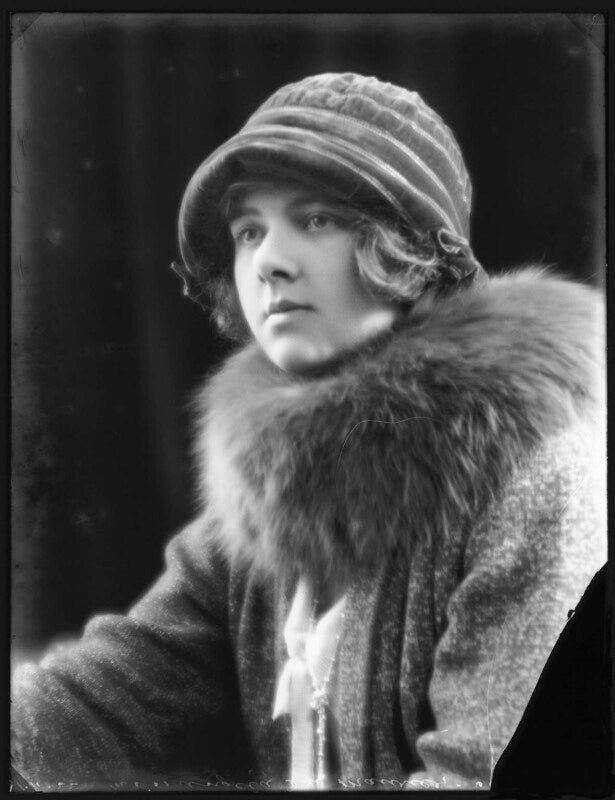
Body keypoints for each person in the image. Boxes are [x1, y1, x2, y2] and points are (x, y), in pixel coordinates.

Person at [11, 72, 606, 792]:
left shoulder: (542, 479)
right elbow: (89, 712)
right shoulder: (265, 508)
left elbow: (487, 777)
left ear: (411, 248)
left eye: (317, 219)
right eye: (248, 231)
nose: (268, 261)